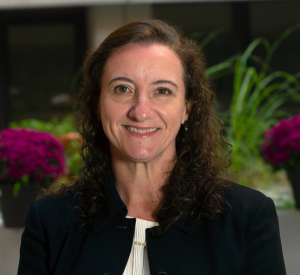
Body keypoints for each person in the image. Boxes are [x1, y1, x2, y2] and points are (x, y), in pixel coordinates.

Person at [18, 19, 286, 275]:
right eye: (122, 89)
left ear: (187, 109)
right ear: (97, 104)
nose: (141, 111)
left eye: (163, 91)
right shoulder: (50, 221)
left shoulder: (247, 217)